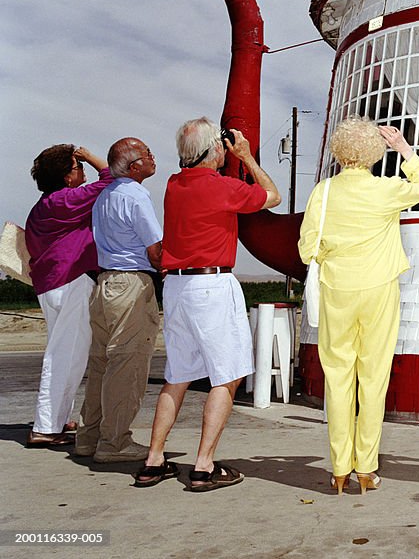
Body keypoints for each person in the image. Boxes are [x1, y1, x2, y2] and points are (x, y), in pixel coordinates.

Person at [134, 118, 280, 491]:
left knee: (178, 375)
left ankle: (153, 460)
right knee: (226, 376)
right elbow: (272, 196)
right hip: (212, 285)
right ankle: (203, 465)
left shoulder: (172, 185)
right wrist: (245, 156)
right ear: (212, 149)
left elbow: (196, 173)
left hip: (178, 288)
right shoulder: (221, 188)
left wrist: (218, 153)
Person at [298, 119, 419, 495]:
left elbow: (307, 248)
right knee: (373, 380)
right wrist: (406, 150)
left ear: (339, 151)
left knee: (338, 378)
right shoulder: (385, 190)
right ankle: (366, 468)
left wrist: (331, 253)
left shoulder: (322, 193)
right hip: (379, 289)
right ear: (374, 153)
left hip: (336, 290)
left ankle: (339, 468)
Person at [76, 138, 162, 463]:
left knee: (100, 364)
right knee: (127, 363)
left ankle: (90, 436)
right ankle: (114, 443)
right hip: (130, 285)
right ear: (133, 167)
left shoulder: (104, 197)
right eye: (147, 153)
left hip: (104, 284)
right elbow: (155, 250)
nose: (153, 157)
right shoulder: (136, 195)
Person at [25, 144, 113, 447]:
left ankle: (57, 419)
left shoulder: (43, 206)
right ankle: (46, 427)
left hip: (51, 285)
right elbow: (112, 179)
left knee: (64, 353)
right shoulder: (65, 200)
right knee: (66, 356)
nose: (83, 171)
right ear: (66, 176)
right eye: (77, 167)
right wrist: (89, 155)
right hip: (70, 282)